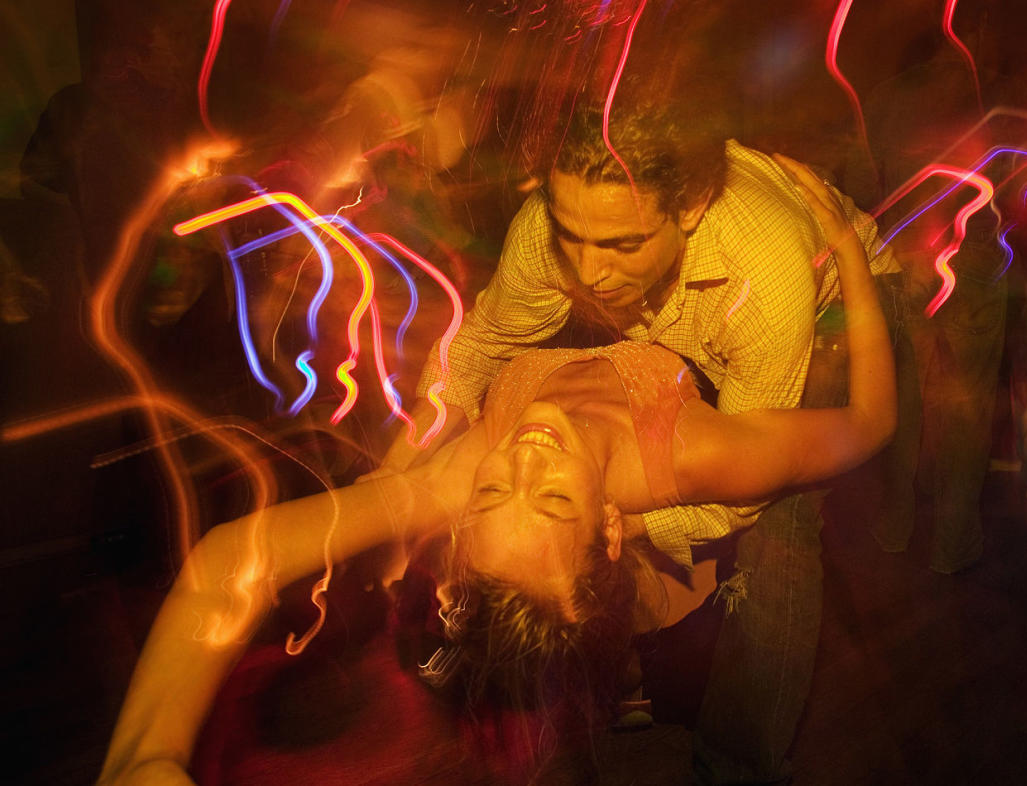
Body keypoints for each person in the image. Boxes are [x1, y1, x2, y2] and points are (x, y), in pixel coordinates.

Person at [96, 157, 895, 785]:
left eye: (489, 491)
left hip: (643, 295)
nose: (523, 454)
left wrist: (144, 754)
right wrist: (853, 260)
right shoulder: (699, 452)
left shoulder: (459, 476)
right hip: (756, 313)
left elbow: (236, 560)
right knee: (782, 522)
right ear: (610, 524)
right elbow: (868, 423)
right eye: (551, 498)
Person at [372, 97, 897, 783]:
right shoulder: (553, 231)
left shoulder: (764, 278)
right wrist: (393, 469)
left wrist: (621, 518)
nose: (588, 272)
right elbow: (479, 345)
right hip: (678, 336)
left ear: (689, 207)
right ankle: (609, 665)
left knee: (778, 532)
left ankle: (736, 765)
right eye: (573, 237)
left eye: (621, 245)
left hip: (833, 298)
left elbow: (740, 495)